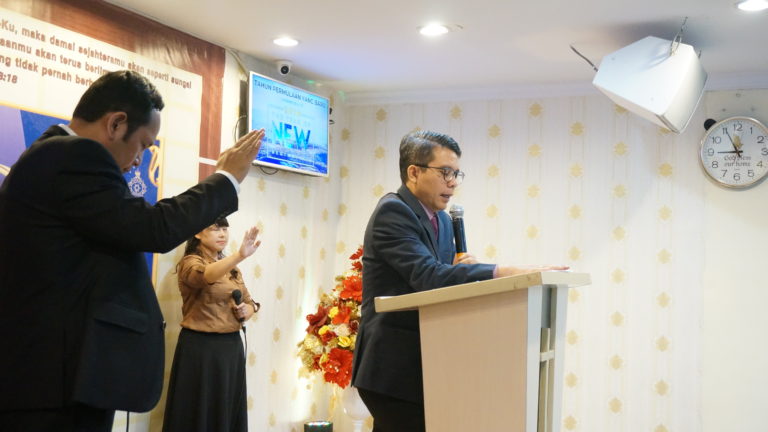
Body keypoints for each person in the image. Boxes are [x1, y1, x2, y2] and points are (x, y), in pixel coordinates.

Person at [0, 70, 265, 432]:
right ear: (116, 123)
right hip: (52, 382)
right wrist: (226, 179)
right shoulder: (72, 156)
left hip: (56, 375)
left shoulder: (53, 155)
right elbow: (151, 228)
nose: (140, 159)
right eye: (142, 144)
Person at [351, 130, 568, 432]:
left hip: (427, 363)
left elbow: (442, 280)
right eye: (445, 172)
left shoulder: (441, 219)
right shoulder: (393, 211)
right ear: (414, 172)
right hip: (392, 367)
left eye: (456, 173)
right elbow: (429, 277)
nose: (453, 182)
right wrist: (505, 271)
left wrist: (466, 270)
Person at [162, 218, 260, 432]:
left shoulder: (232, 268)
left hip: (231, 349)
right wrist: (239, 255)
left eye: (225, 229)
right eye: (215, 229)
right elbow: (207, 276)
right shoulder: (190, 263)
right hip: (200, 349)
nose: (222, 234)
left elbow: (250, 301)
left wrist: (249, 309)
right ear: (198, 233)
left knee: (226, 411)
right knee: (197, 411)